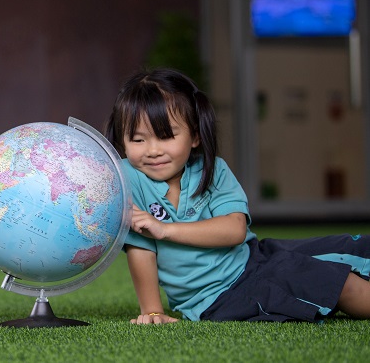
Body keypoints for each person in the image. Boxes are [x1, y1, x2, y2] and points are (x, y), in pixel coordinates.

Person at [105, 68, 370, 324]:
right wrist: (152, 312)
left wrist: (164, 230)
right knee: (340, 283)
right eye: (138, 140)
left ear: (195, 136)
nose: (152, 150)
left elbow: (235, 230)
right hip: (221, 296)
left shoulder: (213, 167)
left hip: (255, 256)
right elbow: (141, 250)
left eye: (166, 136)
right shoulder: (128, 179)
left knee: (350, 247)